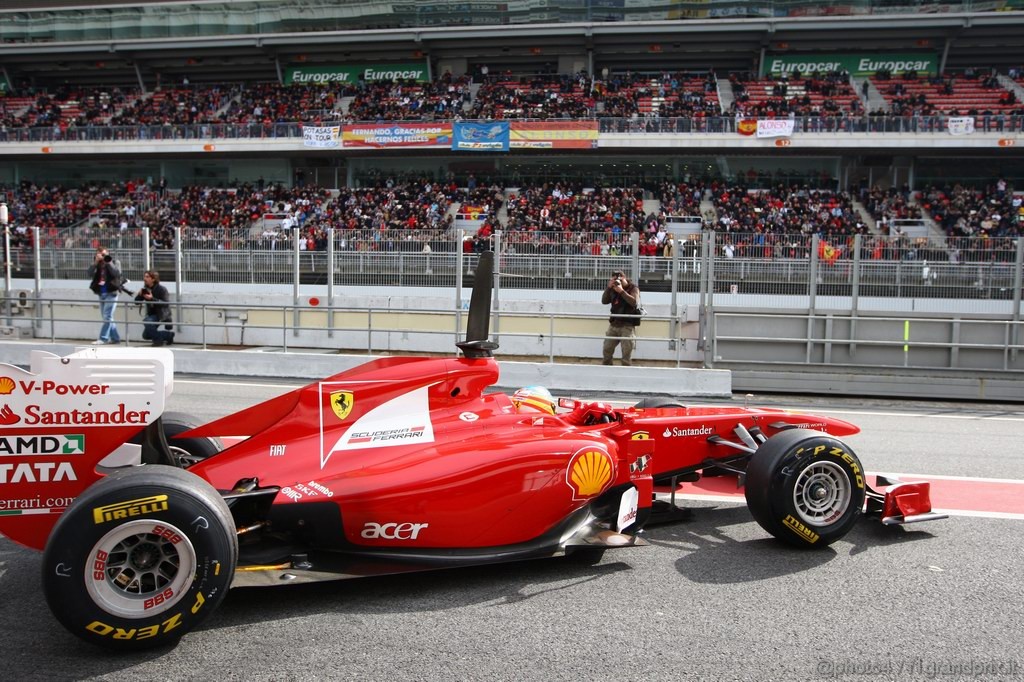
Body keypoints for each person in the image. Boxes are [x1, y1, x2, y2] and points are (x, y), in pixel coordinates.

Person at [601, 269, 641, 366]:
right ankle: (606, 369)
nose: (617, 282)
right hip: (614, 324)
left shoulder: (633, 288)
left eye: (619, 279)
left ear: (624, 278)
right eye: (615, 280)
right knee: (607, 349)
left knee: (626, 352)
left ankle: (625, 372)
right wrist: (609, 288)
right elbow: (604, 301)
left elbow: (634, 302)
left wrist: (622, 291)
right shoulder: (613, 288)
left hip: (627, 325)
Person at [87, 247, 124, 345]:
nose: (102, 256)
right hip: (101, 292)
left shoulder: (115, 262)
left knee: (107, 316)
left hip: (111, 292)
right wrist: (95, 262)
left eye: (104, 254)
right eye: (100, 254)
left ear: (107, 253)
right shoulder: (97, 263)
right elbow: (89, 273)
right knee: (107, 317)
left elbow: (116, 274)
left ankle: (103, 338)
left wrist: (108, 262)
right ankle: (115, 338)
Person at [134, 270, 175, 346]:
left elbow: (166, 304)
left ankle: (158, 341)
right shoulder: (145, 289)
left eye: (147, 277)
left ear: (153, 279)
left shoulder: (162, 289)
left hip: (162, 314)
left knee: (147, 321)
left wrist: (152, 299)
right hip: (152, 315)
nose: (144, 279)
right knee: (146, 336)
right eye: (144, 276)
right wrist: (139, 295)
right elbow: (136, 302)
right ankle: (168, 335)